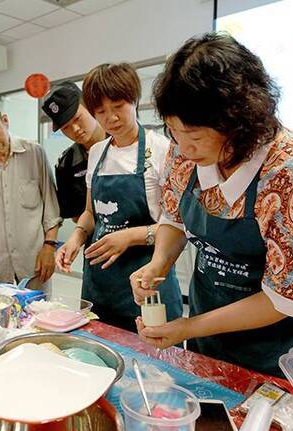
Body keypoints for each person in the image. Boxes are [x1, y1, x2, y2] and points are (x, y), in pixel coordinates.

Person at [131, 33, 293, 377]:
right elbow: (175, 217)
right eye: (172, 132)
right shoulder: (184, 155)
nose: (182, 148)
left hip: (278, 343)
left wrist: (187, 327)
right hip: (208, 323)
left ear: (238, 122)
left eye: (194, 136)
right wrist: (159, 263)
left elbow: (285, 297)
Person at [55, 63, 182, 332]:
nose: (111, 118)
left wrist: (129, 236)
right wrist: (76, 237)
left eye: (118, 106)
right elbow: (91, 213)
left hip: (148, 280)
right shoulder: (98, 152)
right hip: (100, 285)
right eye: (101, 112)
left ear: (134, 100)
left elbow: (179, 226)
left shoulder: (164, 150)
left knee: (154, 365)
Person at [0, 99, 61, 291]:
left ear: (5, 121)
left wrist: (49, 247)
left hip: (35, 263)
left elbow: (51, 208)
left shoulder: (34, 153)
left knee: (38, 316)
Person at [42, 81, 106, 221]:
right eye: (66, 127)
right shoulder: (67, 164)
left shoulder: (124, 142)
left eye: (77, 118)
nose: (75, 129)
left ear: (89, 107)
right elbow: (76, 217)